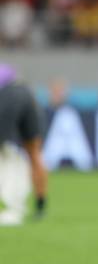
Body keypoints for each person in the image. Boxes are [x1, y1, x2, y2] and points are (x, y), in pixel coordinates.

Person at [0, 64, 48, 226]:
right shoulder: (6, 68)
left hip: (7, 94)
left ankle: (11, 203)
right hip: (26, 92)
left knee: (4, 152)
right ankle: (41, 206)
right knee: (34, 152)